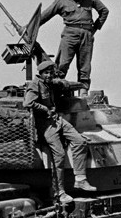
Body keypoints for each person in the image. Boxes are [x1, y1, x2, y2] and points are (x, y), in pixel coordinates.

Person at [23, 60, 97, 204]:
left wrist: (82, 84)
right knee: (59, 155)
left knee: (80, 141)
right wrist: (45, 109)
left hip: (57, 119)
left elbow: (65, 84)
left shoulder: (51, 83)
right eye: (46, 73)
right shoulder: (34, 85)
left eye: (51, 72)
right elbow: (28, 103)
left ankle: (80, 179)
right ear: (41, 73)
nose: (49, 75)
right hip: (45, 124)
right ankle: (60, 192)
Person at [39, 0, 109, 90]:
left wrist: (95, 28)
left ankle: (83, 90)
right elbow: (44, 16)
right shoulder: (61, 1)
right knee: (62, 64)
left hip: (86, 33)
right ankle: (57, 88)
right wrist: (28, 28)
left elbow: (104, 11)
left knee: (84, 66)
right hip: (70, 34)